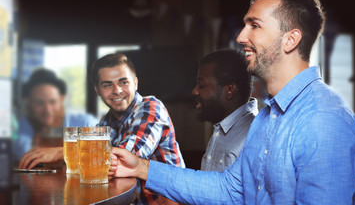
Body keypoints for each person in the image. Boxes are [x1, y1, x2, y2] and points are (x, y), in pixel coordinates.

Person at [108, 0, 355, 204]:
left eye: (255, 25)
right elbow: (230, 189)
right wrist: (140, 167)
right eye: (244, 25)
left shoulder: (324, 120)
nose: (241, 36)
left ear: (290, 40)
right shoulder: (267, 117)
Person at [92, 52, 185, 205]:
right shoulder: (106, 121)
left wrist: (60, 152)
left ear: (135, 83)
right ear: (97, 90)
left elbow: (125, 158)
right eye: (107, 84)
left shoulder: (151, 107)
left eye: (123, 82)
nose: (117, 90)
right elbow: (94, 161)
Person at [15, 68, 98, 168]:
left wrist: (61, 153)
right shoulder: (27, 123)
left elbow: (101, 154)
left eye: (52, 102)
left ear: (62, 99)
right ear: (28, 102)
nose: (47, 110)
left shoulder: (85, 122)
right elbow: (23, 155)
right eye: (39, 103)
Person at [193, 49, 258, 171]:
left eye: (202, 85)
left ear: (230, 90)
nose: (195, 91)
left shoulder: (251, 137)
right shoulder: (222, 127)